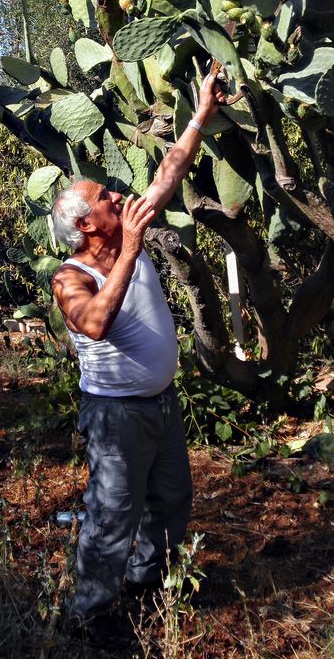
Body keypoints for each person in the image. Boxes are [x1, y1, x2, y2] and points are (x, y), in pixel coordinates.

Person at [50, 70, 225, 629]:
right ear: (85, 223)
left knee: (172, 500)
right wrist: (129, 249)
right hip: (116, 415)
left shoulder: (127, 228)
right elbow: (95, 325)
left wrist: (200, 114)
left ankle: (148, 585)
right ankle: (91, 615)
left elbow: (170, 169)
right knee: (110, 515)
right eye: (105, 199)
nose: (118, 196)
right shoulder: (69, 277)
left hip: (161, 405)